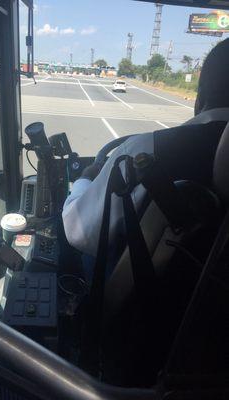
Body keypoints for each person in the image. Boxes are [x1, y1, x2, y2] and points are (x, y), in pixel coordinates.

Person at [62, 38, 229, 257]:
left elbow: (79, 232)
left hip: (149, 288)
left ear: (200, 96)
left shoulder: (145, 149)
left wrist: (84, 178)